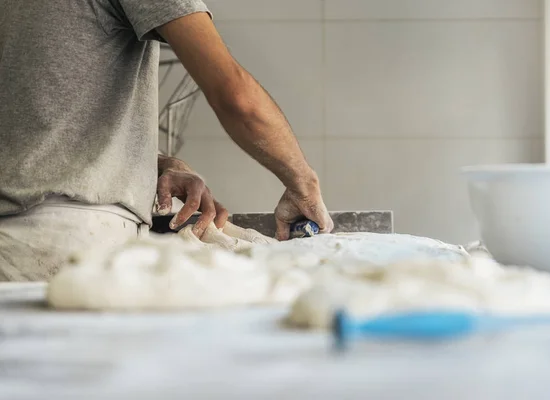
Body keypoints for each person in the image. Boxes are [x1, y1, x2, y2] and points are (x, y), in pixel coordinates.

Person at [0, 0, 334, 281]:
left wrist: (157, 164)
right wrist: (303, 184)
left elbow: (34, 106)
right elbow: (236, 98)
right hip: (66, 244)